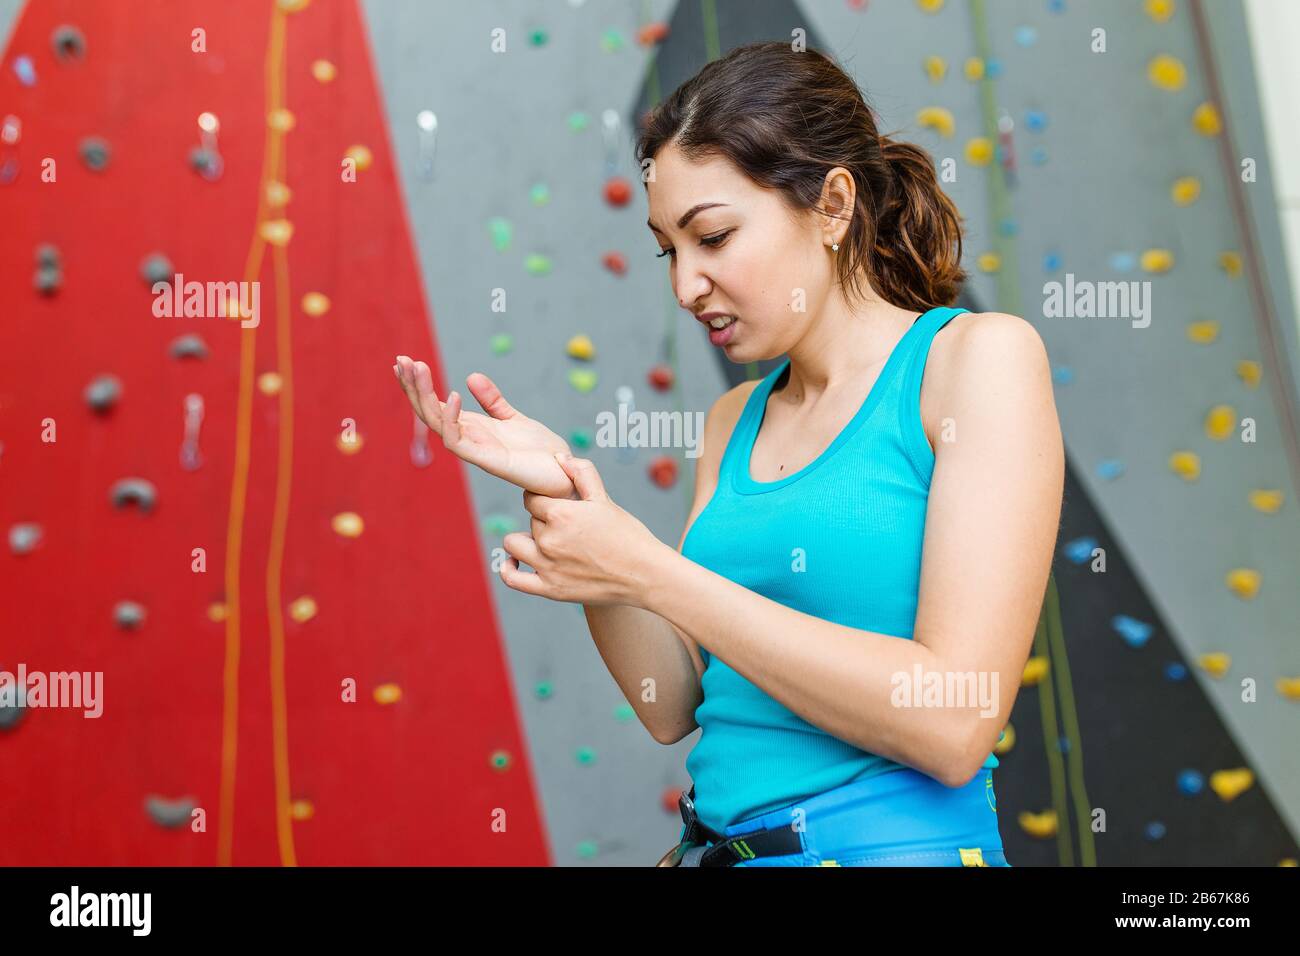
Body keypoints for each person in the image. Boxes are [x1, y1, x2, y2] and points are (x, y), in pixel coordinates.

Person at [391, 40, 1063, 867]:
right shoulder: (735, 420)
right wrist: (570, 502)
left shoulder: (975, 363)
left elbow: (956, 723)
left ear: (833, 206)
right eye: (668, 249)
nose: (685, 286)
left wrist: (647, 569)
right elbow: (673, 702)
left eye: (712, 237)